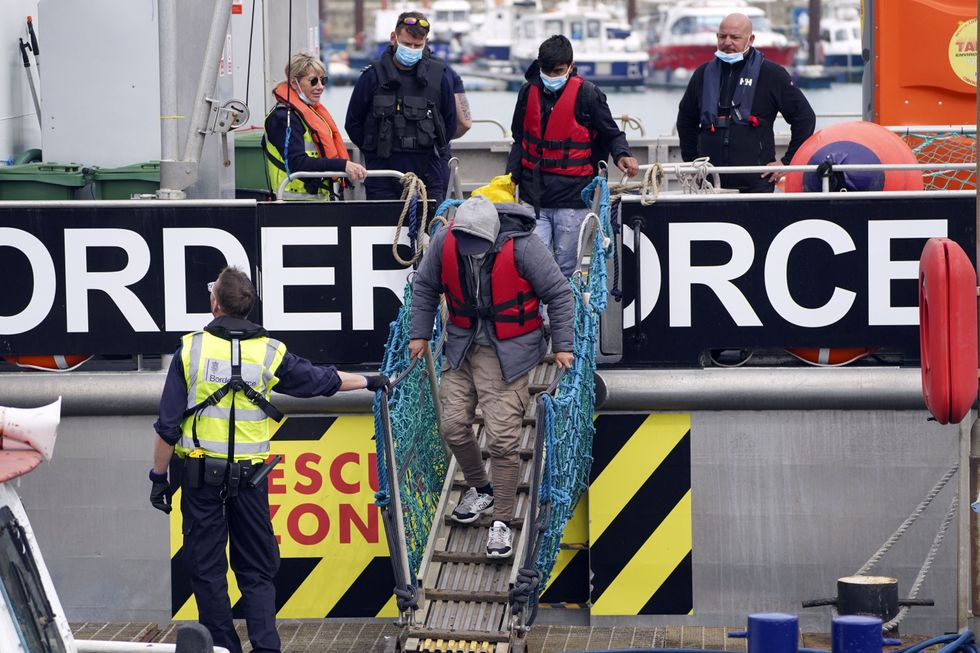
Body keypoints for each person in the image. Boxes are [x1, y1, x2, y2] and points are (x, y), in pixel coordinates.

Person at [149, 266, 386, 653]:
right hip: (250, 482)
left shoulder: (190, 351)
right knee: (257, 571)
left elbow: (167, 427)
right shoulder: (270, 352)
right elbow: (321, 381)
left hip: (200, 481)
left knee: (208, 573)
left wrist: (159, 477)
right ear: (247, 307)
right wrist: (369, 380)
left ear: (215, 304)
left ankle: (225, 647)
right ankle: (266, 647)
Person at [407, 196, 575, 559]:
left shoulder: (526, 248)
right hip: (461, 346)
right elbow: (424, 288)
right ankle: (480, 487)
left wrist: (563, 345)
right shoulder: (445, 242)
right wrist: (418, 334)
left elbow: (560, 294)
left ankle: (501, 521)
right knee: (451, 426)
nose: (471, 252)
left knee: (502, 440)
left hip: (508, 352)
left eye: (478, 247)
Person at [506, 34, 639, 278]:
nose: (551, 77)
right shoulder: (527, 93)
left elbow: (611, 133)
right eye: (547, 71)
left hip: (572, 200)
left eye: (557, 71)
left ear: (570, 66)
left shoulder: (589, 95)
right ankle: (539, 317)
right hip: (533, 196)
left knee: (569, 269)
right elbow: (519, 139)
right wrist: (509, 179)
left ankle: (567, 317)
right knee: (532, 268)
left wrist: (622, 155)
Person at [675, 13, 816, 193]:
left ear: (750, 40)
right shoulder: (702, 74)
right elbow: (686, 119)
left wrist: (787, 162)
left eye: (735, 37)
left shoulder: (772, 74)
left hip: (756, 185)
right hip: (709, 185)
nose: (727, 42)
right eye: (722, 36)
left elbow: (804, 117)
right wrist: (691, 161)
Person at [345, 11, 458, 204]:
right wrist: (374, 150)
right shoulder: (372, 76)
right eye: (406, 44)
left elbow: (450, 123)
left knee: (431, 230)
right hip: (382, 174)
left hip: (428, 174)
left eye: (417, 46)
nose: (411, 49)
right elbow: (353, 123)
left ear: (426, 43)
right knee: (384, 232)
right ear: (393, 38)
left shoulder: (439, 76)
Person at [263, 52, 367, 199]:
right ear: (294, 83)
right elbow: (298, 162)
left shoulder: (310, 112)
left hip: (318, 202)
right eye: (313, 81)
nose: (320, 87)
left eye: (323, 80)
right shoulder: (283, 118)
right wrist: (341, 165)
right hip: (292, 205)